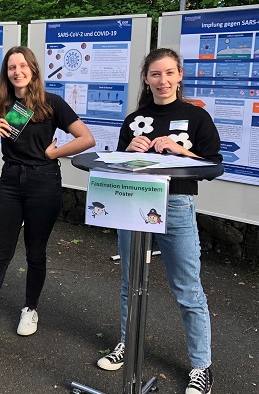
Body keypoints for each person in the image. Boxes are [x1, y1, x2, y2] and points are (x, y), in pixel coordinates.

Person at [0, 46, 95, 346]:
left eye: (23, 66)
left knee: (36, 252)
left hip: (44, 182)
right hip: (11, 181)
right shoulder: (0, 104)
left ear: (33, 70)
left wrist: (56, 152)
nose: (18, 71)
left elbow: (86, 138)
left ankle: (30, 308)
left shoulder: (52, 103)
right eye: (12, 67)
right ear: (6, 73)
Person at [96, 48, 221, 394]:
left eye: (169, 73)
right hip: (132, 203)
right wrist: (126, 152)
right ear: (146, 78)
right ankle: (128, 343)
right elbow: (115, 166)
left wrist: (182, 151)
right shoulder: (135, 118)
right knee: (130, 281)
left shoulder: (196, 117)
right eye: (155, 74)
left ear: (179, 75)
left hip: (177, 204)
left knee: (187, 288)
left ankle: (201, 366)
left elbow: (213, 165)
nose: (162, 81)